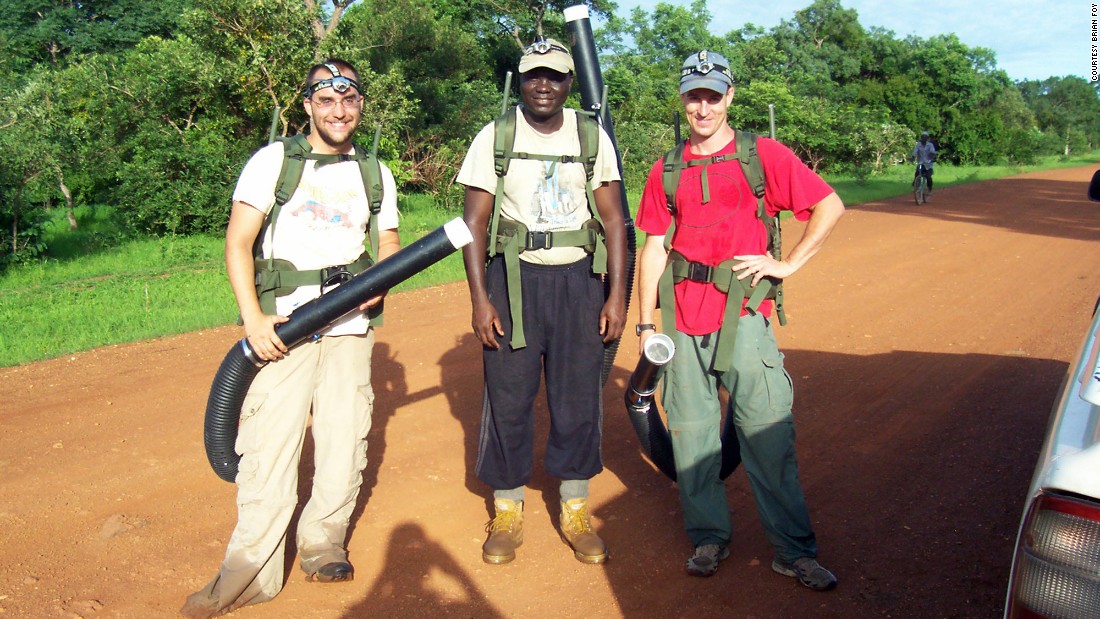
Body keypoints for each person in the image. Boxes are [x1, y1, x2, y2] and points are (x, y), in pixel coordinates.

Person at [182, 59, 401, 618]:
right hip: (283, 328)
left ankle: (324, 543)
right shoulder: (273, 162)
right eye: (326, 101)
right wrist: (253, 320)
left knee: (343, 436)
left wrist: (381, 282)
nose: (339, 111)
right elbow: (238, 242)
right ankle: (250, 571)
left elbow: (390, 241)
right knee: (270, 448)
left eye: (348, 100)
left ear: (359, 105)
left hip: (350, 327)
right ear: (307, 105)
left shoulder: (373, 171)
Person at [634, 50, 844, 589]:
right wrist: (645, 325)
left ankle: (793, 550)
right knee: (692, 433)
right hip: (680, 319)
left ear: (729, 97)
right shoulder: (668, 167)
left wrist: (787, 263)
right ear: (682, 99)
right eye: (692, 95)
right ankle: (708, 536)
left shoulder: (762, 155)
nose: (701, 106)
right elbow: (654, 246)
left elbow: (829, 205)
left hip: (745, 314)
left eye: (712, 95)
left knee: (766, 431)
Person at [457, 37, 627, 565]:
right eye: (535, 76)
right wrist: (481, 299)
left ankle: (576, 506)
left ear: (570, 82)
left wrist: (617, 295)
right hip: (512, 281)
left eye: (555, 75)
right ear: (521, 80)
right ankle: (507, 509)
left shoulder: (590, 135)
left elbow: (617, 219)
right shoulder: (496, 135)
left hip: (578, 281)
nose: (544, 85)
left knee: (576, 396)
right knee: (508, 397)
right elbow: (474, 224)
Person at [912, 131, 937, 199]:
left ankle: (929, 188)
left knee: (928, 176)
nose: (924, 138)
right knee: (917, 173)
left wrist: (932, 156)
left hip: (928, 164)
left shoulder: (930, 145)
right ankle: (916, 186)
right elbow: (915, 152)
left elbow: (932, 152)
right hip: (920, 163)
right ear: (921, 138)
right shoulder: (918, 145)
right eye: (923, 137)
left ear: (927, 138)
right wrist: (913, 157)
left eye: (925, 137)